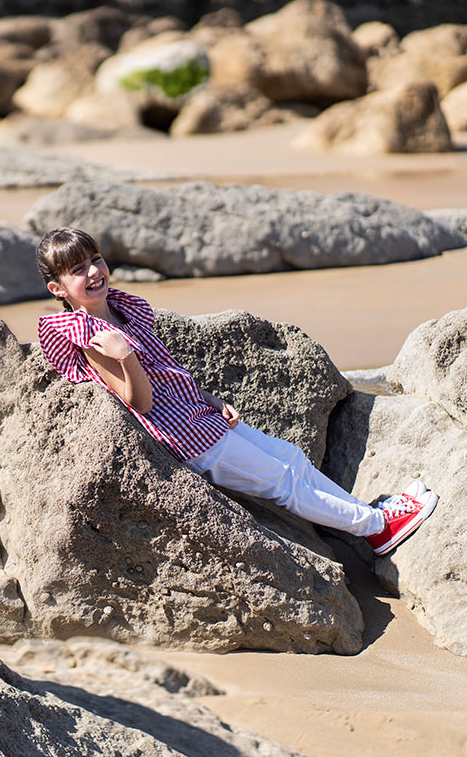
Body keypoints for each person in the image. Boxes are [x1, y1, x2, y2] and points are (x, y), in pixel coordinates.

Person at [36, 227, 437, 555]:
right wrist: (124, 357)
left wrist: (208, 399)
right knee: (283, 482)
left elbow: (166, 372)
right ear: (58, 289)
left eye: (95, 260)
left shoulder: (122, 310)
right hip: (186, 439)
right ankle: (377, 528)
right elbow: (138, 401)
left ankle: (367, 514)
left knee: (292, 459)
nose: (92, 272)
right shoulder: (90, 336)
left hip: (200, 416)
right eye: (77, 271)